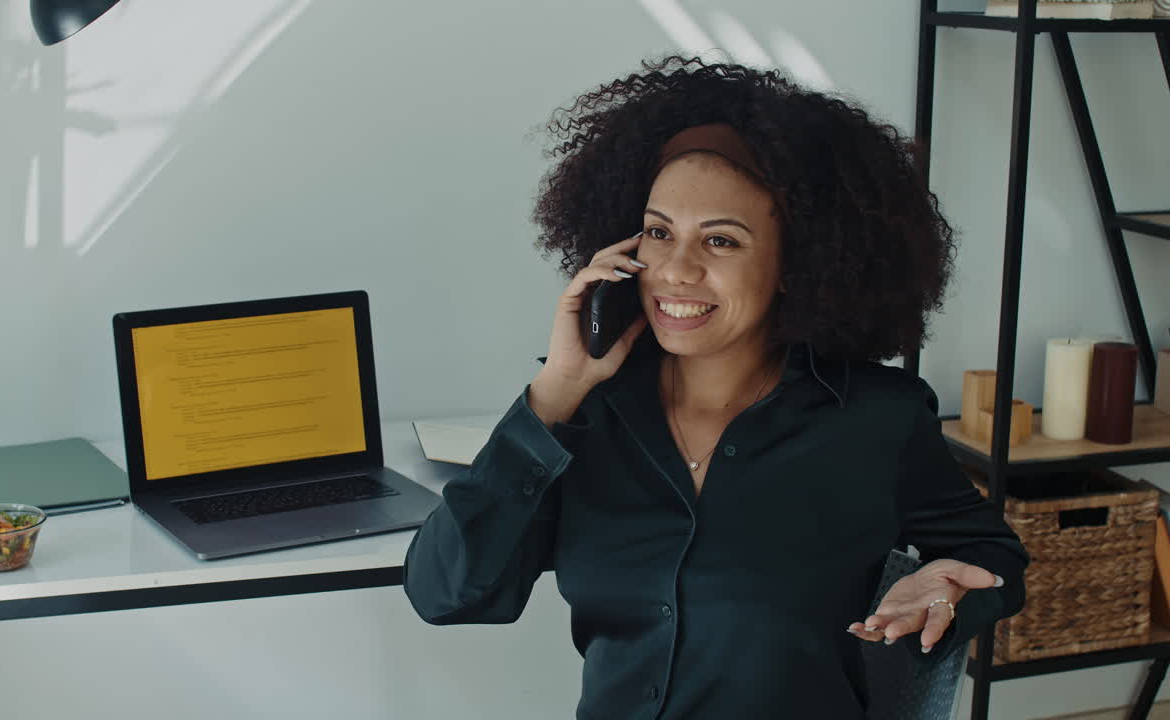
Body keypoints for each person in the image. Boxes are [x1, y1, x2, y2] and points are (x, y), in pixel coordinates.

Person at [402, 56, 1029, 719]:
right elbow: (445, 594)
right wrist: (555, 390)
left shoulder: (875, 418)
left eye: (722, 242)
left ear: (796, 263)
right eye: (657, 232)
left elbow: (993, 556)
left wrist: (949, 591)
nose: (675, 269)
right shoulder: (586, 417)